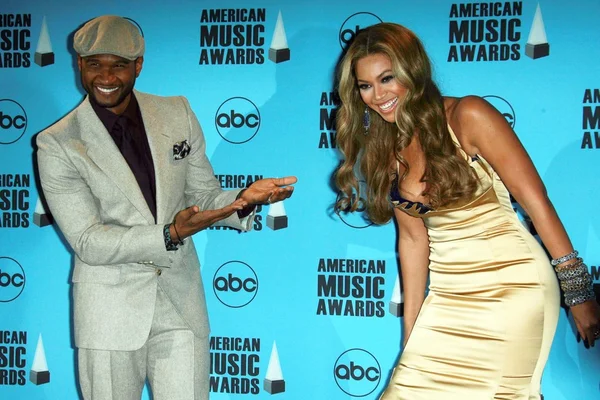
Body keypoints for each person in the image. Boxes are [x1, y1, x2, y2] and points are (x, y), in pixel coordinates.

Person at [334, 22, 600, 399]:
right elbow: (412, 242)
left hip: (513, 287)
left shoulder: (467, 115)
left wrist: (578, 294)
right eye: (365, 86)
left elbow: (536, 202)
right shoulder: (387, 149)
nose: (377, 96)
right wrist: (413, 333)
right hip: (447, 297)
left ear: (413, 70)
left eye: (387, 79)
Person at [36, 15, 296, 400]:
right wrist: (169, 234)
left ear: (138, 65)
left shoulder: (176, 114)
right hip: (110, 312)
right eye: (94, 64)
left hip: (181, 304)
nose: (105, 76)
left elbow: (205, 197)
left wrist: (243, 200)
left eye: (118, 65)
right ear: (79, 65)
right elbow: (89, 242)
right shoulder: (57, 143)